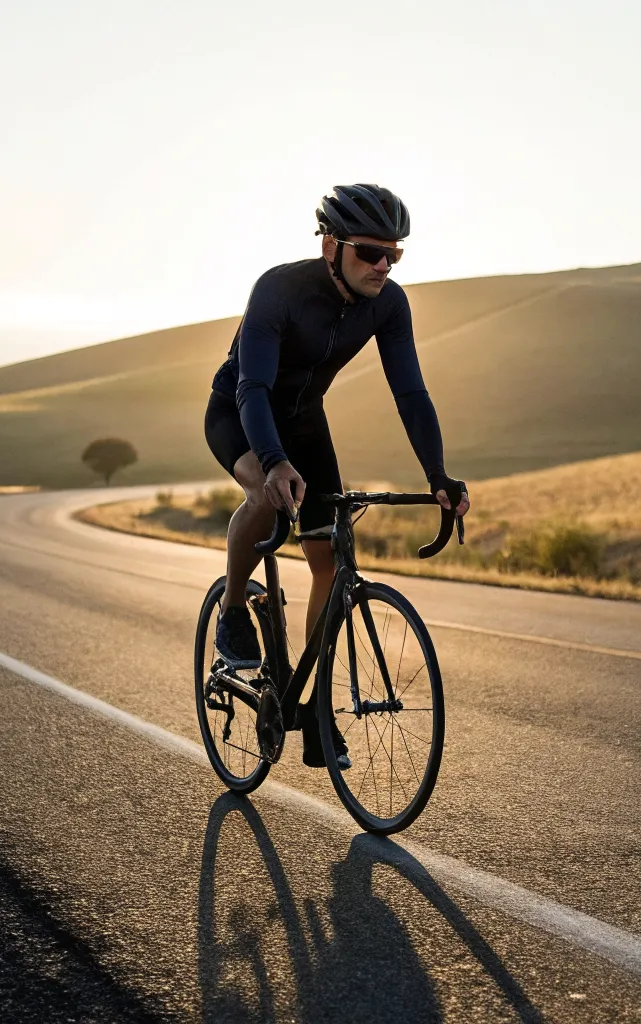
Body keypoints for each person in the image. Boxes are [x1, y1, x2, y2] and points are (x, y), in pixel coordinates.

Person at [204, 184, 468, 767]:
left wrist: (439, 475)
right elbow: (254, 389)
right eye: (370, 252)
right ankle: (230, 612)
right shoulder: (280, 288)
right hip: (242, 412)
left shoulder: (388, 304)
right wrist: (272, 463)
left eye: (393, 255)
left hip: (303, 421)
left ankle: (314, 704)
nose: (383, 265)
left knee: (328, 558)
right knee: (266, 498)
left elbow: (411, 393)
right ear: (331, 244)